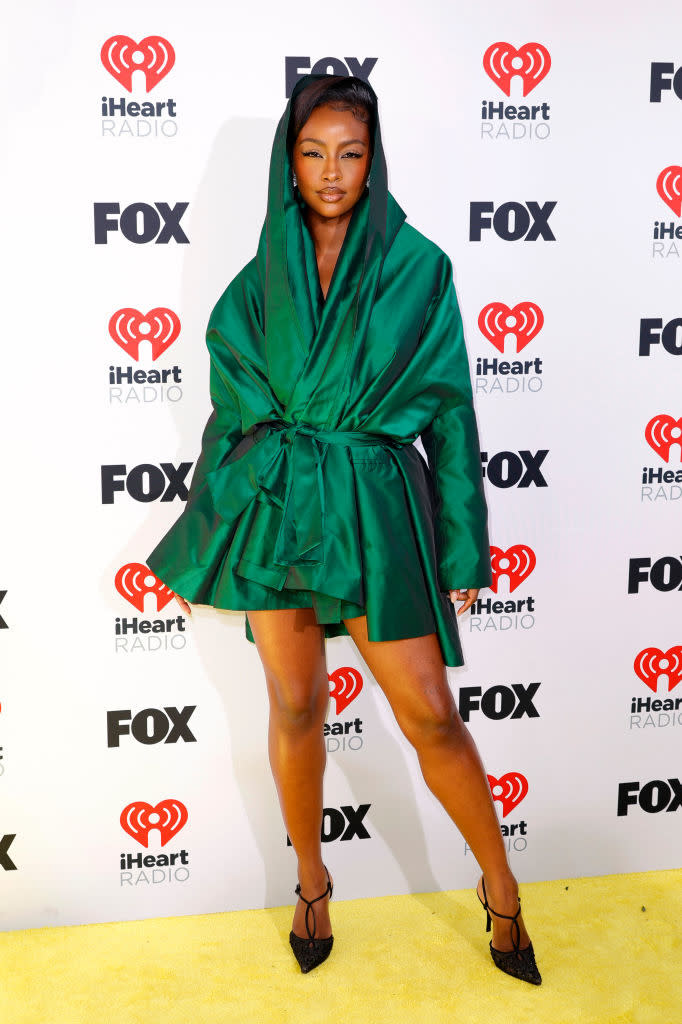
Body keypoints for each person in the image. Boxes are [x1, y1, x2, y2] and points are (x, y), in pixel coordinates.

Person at [146, 73, 541, 984]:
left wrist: (460, 543)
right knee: (293, 705)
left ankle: (503, 885)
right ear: (290, 162)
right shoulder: (257, 278)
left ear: (375, 161)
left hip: (371, 507)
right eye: (314, 152)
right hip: (280, 503)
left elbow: (450, 415)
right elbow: (231, 414)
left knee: (433, 717)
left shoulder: (420, 268)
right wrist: (218, 533)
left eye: (351, 153)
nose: (332, 171)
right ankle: (313, 883)